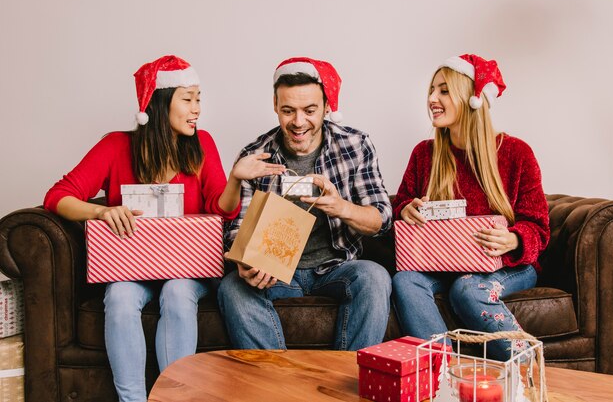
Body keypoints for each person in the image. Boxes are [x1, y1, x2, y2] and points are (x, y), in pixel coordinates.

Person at [43, 55, 285, 402]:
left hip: (189, 270)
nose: (196, 108)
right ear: (158, 104)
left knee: (175, 292)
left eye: (198, 98)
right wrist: (101, 212)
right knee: (120, 296)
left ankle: (175, 398)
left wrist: (235, 177)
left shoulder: (203, 146)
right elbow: (58, 196)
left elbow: (223, 209)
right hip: (131, 268)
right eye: (187, 99)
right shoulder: (115, 146)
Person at [217, 56, 392, 351]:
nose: (298, 122)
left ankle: (346, 385)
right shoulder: (255, 154)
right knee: (232, 288)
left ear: (327, 106)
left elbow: (382, 219)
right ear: (275, 105)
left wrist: (341, 207)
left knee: (374, 276)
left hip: (336, 268)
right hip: (276, 275)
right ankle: (281, 386)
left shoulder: (355, 145)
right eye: (288, 111)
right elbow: (235, 229)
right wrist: (245, 262)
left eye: (309, 110)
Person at [391, 54, 550, 360]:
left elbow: (539, 228)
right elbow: (400, 207)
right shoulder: (425, 154)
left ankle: (527, 363)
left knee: (467, 288)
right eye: (431, 90)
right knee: (405, 279)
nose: (432, 99)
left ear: (471, 99)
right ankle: (443, 372)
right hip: (442, 264)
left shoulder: (516, 153)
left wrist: (515, 239)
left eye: (444, 90)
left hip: (506, 266)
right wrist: (406, 211)